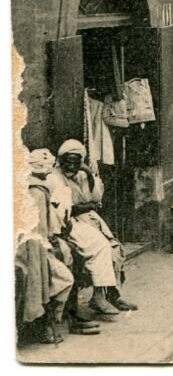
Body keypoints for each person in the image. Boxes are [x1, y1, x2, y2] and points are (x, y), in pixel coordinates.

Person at [49, 140, 135, 315]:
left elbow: (96, 198)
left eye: (76, 162)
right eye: (68, 161)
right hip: (69, 221)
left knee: (114, 248)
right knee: (100, 247)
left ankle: (112, 294)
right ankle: (98, 296)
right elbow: (66, 208)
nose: (71, 166)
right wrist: (88, 206)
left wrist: (88, 174)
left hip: (87, 217)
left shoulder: (81, 175)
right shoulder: (54, 178)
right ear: (60, 159)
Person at [19, 149, 75, 341]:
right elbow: (39, 226)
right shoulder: (36, 191)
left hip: (37, 246)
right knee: (48, 283)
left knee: (54, 281)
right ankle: (43, 327)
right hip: (34, 249)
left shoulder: (34, 187)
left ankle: (47, 324)